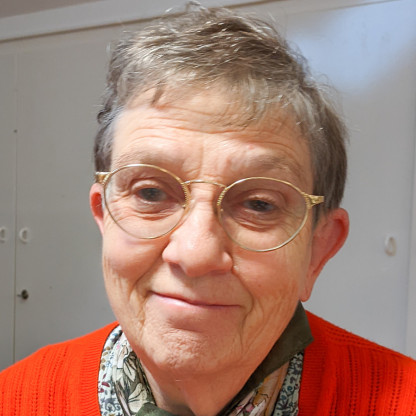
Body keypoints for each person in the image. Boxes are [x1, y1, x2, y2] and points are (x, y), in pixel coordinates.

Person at [1, 4, 415, 416]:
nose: (195, 255)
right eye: (150, 193)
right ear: (105, 216)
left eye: (258, 204)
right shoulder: (14, 398)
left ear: (317, 251)